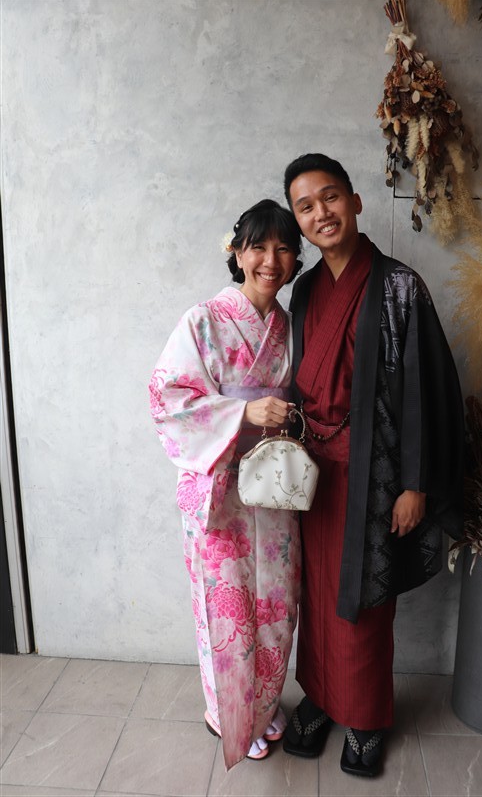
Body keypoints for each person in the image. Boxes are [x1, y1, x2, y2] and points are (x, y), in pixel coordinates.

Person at [281, 154, 464, 777]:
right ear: (300, 222)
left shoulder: (400, 287)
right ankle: (320, 697)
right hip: (312, 472)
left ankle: (364, 716)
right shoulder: (305, 290)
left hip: (374, 472)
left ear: (356, 202)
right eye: (306, 207)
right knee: (316, 591)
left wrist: (414, 484)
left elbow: (425, 394)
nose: (321, 213)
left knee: (361, 599)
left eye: (330, 197)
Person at [149, 199, 303, 770]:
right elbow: (167, 397)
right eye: (258, 247)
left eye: (283, 248)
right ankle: (228, 714)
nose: (270, 260)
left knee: (276, 603)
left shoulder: (289, 326)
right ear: (236, 253)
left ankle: (263, 706)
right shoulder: (204, 320)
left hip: (276, 486)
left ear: (295, 259)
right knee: (229, 606)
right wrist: (243, 413)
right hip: (221, 491)